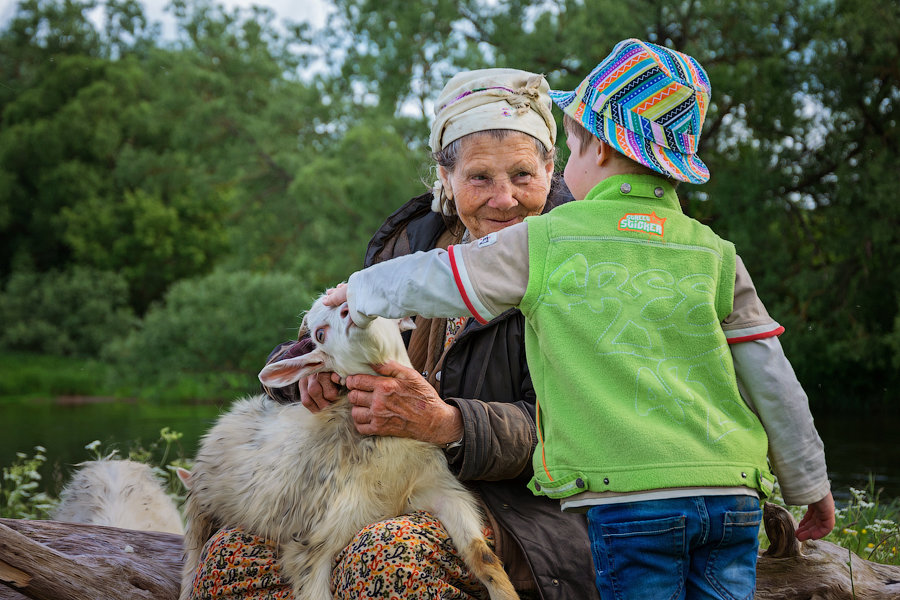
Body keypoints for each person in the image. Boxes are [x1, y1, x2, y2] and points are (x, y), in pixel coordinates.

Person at [325, 39, 835, 599]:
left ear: (594, 150)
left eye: (558, 155)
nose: (507, 198)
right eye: (480, 179)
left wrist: (360, 291)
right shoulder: (714, 251)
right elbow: (772, 375)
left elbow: (444, 277)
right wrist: (809, 482)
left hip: (621, 499)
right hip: (732, 494)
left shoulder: (546, 243)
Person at [186, 68, 600, 600]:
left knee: (386, 559)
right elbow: (334, 326)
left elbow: (585, 430)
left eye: (523, 175)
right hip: (384, 482)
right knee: (229, 561)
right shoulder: (412, 248)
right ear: (445, 178)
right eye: (480, 178)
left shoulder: (582, 262)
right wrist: (311, 379)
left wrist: (448, 423)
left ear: (551, 168)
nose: (504, 199)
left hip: (526, 511)